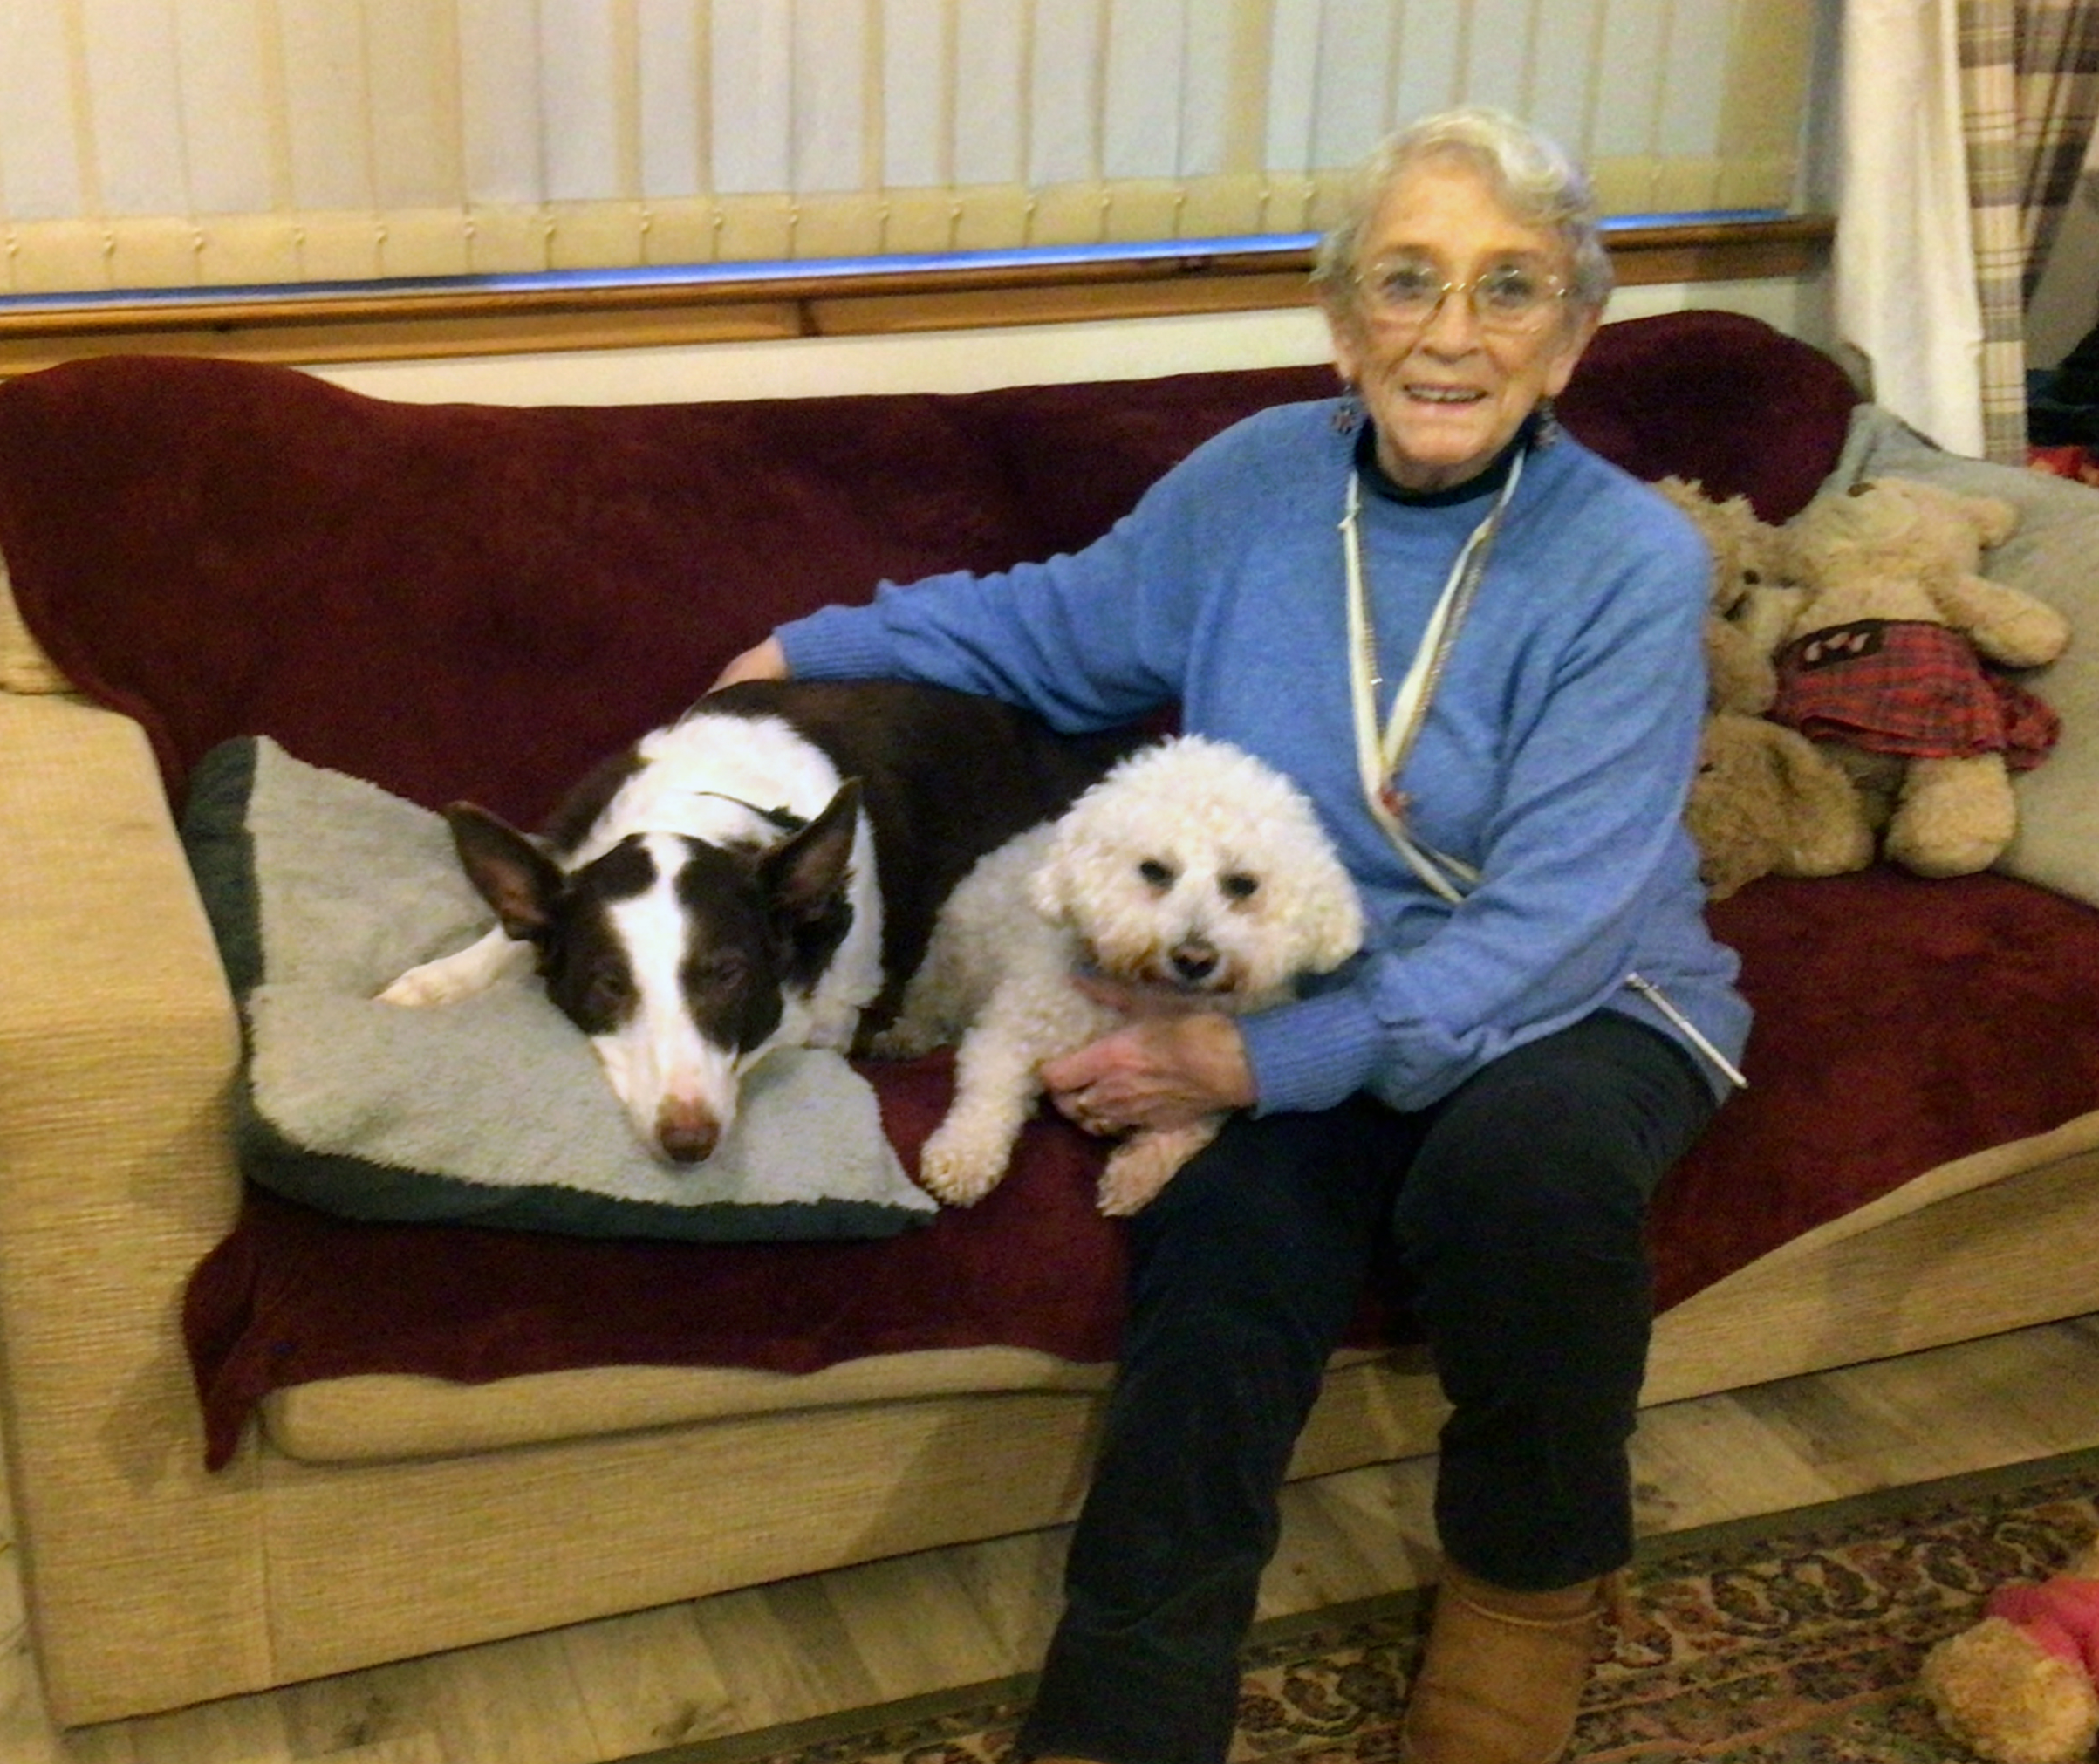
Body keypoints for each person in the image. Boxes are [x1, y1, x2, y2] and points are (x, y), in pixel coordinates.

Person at [715, 107, 1747, 1764]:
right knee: (1225, 1256)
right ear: (1344, 321)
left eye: (1508, 289)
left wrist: (1262, 1057)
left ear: (1569, 339)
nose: (1449, 331)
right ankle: (1125, 1703)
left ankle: (1524, 1594)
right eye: (1406, 281)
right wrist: (793, 647)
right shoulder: (1259, 483)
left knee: (1524, 1178)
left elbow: (1562, 920)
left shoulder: (1630, 558)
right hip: (1310, 967)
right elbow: (1049, 625)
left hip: (1583, 996)